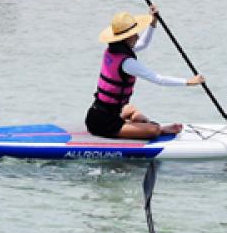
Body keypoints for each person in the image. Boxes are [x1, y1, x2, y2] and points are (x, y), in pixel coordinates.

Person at [86, 8, 205, 139]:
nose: (137, 36)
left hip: (100, 112)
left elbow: (142, 44)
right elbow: (158, 79)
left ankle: (138, 126)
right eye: (134, 34)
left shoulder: (112, 51)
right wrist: (189, 81)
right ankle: (159, 129)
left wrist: (152, 23)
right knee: (153, 131)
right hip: (103, 123)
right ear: (125, 38)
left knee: (132, 111)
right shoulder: (127, 63)